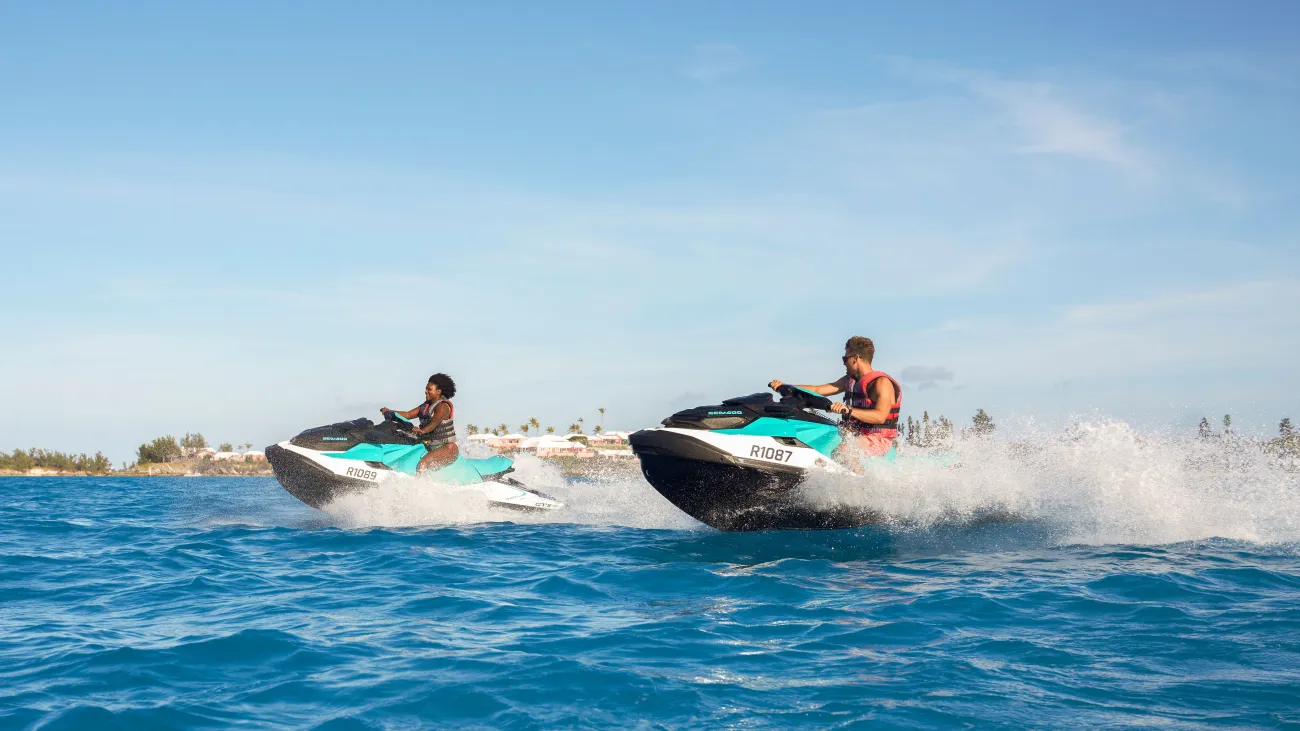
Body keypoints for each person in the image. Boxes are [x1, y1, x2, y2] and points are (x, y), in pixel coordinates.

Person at [769, 336, 902, 460]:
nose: (843, 363)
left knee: (843, 450)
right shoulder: (850, 380)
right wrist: (785, 386)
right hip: (854, 436)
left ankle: (860, 483)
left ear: (856, 358)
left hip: (878, 440)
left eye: (845, 359)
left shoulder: (881, 383)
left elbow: (880, 416)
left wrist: (848, 410)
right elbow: (818, 390)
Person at [381, 373, 459, 472]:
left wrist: (422, 430)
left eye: (429, 389)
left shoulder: (442, 406)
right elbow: (408, 414)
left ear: (438, 391)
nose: (425, 391)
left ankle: (421, 487)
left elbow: (434, 423)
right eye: (426, 389)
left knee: (423, 465)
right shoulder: (425, 406)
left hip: (447, 448)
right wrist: (390, 412)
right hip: (429, 447)